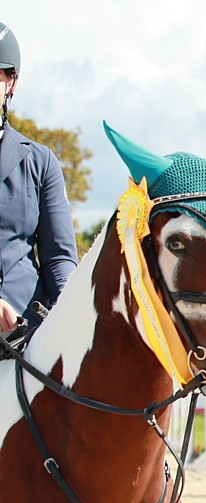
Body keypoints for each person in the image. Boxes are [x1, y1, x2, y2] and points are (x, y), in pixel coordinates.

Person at [0, 22, 78, 334]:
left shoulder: (40, 161)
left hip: (27, 333)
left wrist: (71, 308)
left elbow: (59, 257)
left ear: (11, 82)